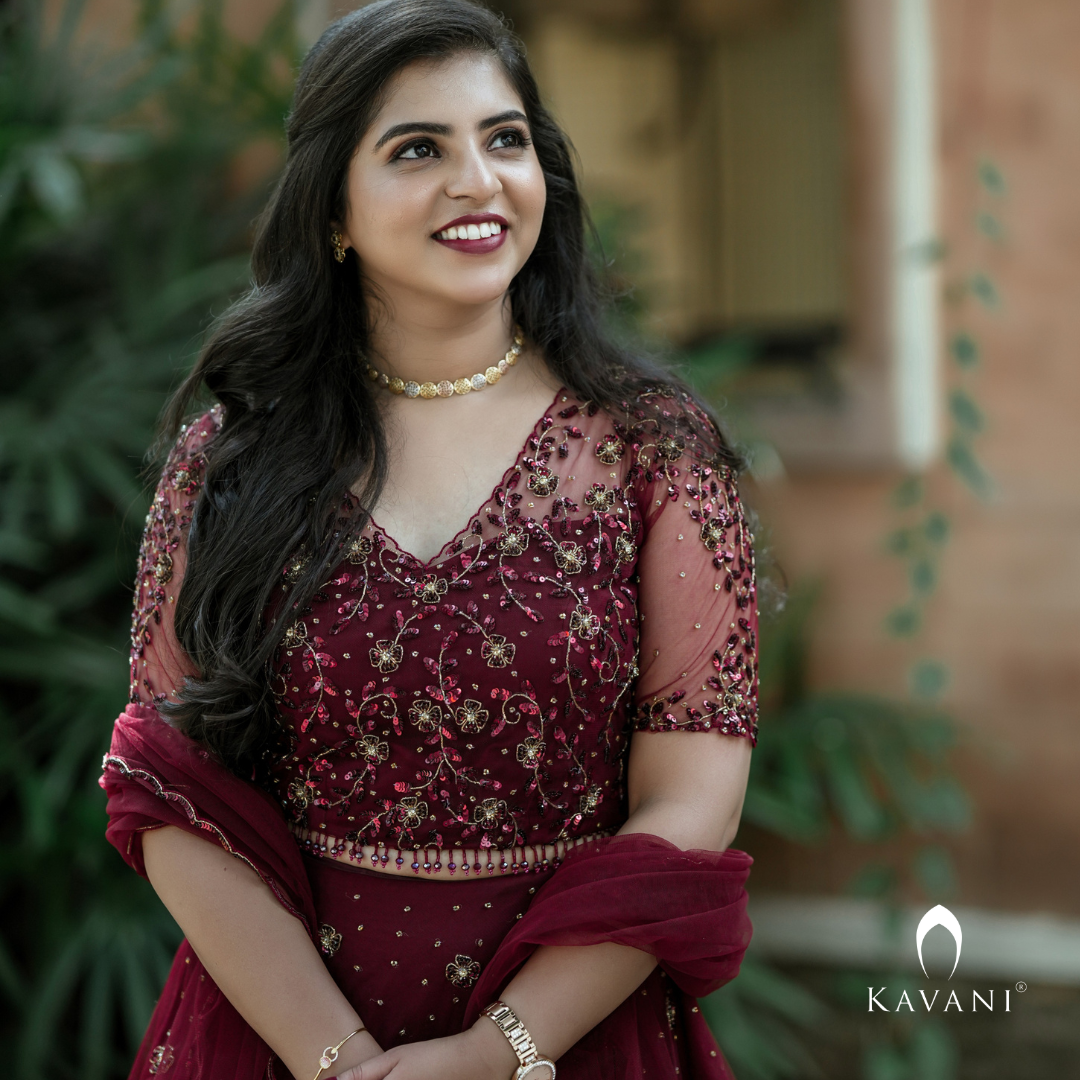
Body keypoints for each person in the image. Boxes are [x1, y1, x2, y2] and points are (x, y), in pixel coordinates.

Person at [101, 2, 759, 1078]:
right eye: (419, 149)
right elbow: (167, 793)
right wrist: (339, 1060)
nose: (479, 180)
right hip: (272, 1037)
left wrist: (499, 1052)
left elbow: (691, 802)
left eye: (506, 140)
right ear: (335, 212)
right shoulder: (233, 458)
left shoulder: (654, 451)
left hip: (574, 1037)